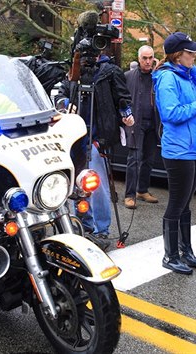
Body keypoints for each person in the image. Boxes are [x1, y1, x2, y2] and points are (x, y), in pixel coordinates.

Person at [56, 49, 134, 251]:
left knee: (97, 187)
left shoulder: (108, 72)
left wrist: (126, 113)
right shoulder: (74, 74)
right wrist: (65, 104)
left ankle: (101, 231)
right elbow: (61, 93)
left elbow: (122, 97)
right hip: (75, 139)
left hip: (98, 138)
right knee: (78, 186)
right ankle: (84, 225)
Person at [152, 32, 196, 275]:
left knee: (185, 205)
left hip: (191, 149)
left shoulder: (184, 75)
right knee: (176, 204)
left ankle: (185, 250)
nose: (195, 56)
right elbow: (171, 114)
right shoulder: (169, 78)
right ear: (178, 55)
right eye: (191, 53)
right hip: (178, 151)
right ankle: (170, 255)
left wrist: (190, 67)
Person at [123, 45, 159, 209]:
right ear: (139, 59)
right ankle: (129, 195)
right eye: (144, 58)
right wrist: (124, 116)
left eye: (150, 57)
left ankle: (142, 190)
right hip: (136, 123)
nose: (148, 61)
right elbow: (121, 98)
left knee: (149, 159)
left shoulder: (157, 76)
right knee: (134, 160)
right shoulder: (128, 76)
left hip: (153, 122)